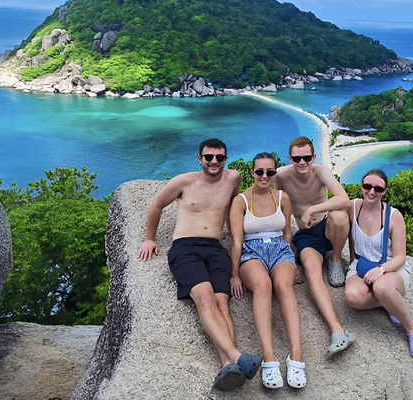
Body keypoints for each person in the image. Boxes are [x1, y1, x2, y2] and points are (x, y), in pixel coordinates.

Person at [138, 138, 262, 390]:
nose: (214, 161)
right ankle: (237, 357)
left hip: (215, 249)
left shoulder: (233, 178)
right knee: (204, 298)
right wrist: (149, 238)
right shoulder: (184, 181)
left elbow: (232, 205)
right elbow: (157, 205)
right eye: (208, 157)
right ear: (200, 159)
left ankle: (227, 366)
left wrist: (235, 232)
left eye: (219, 157)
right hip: (186, 247)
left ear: (226, 159)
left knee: (222, 304)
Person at [229, 152, 306, 389]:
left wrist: (292, 262)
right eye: (260, 172)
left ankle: (297, 355)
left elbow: (286, 234)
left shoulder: (282, 197)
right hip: (251, 251)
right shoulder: (240, 201)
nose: (265, 176)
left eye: (270, 172)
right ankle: (269, 357)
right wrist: (234, 274)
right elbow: (236, 241)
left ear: (275, 173)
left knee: (284, 286)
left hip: (280, 250)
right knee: (263, 286)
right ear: (252, 173)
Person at [273, 136, 356, 358]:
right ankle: (337, 330)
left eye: (307, 157)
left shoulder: (321, 172)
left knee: (339, 216)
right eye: (297, 158)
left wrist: (312, 210)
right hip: (306, 236)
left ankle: (336, 259)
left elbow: (344, 200)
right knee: (311, 270)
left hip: (328, 228)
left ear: (314, 157)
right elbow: (275, 205)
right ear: (290, 158)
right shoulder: (281, 175)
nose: (302, 162)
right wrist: (285, 249)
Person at [343, 169, 413, 359]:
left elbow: (400, 257)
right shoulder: (353, 207)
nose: (372, 192)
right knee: (352, 297)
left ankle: (412, 329)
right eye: (367, 186)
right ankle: (389, 303)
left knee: (381, 287)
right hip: (361, 265)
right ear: (361, 187)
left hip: (390, 268)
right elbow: (334, 211)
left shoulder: (394, 216)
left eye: (378, 188)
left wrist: (381, 269)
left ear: (385, 191)